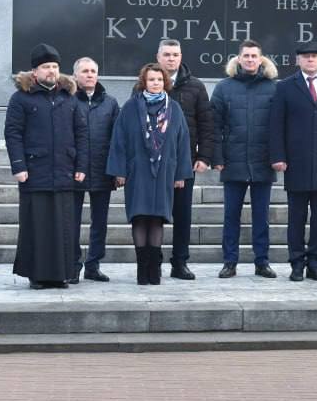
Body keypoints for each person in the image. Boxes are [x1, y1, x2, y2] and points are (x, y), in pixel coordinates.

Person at [5, 43, 88, 289]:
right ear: (35, 72)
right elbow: (13, 133)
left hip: (64, 170)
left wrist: (81, 165)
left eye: (54, 66)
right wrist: (19, 166)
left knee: (63, 226)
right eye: (45, 67)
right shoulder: (21, 98)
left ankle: (61, 274)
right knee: (37, 226)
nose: (51, 71)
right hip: (34, 171)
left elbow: (81, 133)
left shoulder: (69, 98)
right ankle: (37, 275)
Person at [106, 64, 194, 285]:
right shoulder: (130, 107)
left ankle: (154, 271)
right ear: (143, 82)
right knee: (139, 217)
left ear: (165, 82)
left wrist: (181, 174)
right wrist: (119, 171)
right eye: (151, 79)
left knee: (157, 218)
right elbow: (119, 140)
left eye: (159, 79)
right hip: (138, 171)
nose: (155, 83)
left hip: (164, 172)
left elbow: (183, 143)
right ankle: (141, 270)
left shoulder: (174, 108)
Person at [269, 41, 317, 282]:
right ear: (298, 60)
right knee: (296, 217)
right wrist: (278, 156)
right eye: (306, 57)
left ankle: (315, 263)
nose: (310, 60)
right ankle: (296, 263)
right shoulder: (284, 87)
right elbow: (276, 124)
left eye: (314, 56)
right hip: (296, 162)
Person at [211, 40, 279, 278]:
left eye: (254, 56)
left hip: (263, 161)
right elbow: (214, 126)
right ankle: (230, 261)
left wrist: (278, 157)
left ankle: (262, 262)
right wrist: (217, 157)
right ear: (238, 59)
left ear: (261, 59)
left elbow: (279, 126)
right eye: (246, 56)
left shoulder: (273, 88)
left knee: (262, 217)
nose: (250, 59)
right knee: (231, 215)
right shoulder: (223, 88)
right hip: (233, 161)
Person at [156, 39, 215, 280]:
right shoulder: (148, 83)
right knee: (154, 215)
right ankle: (153, 262)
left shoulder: (196, 87)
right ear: (158, 57)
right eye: (167, 54)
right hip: (155, 163)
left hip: (185, 162)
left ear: (181, 56)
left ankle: (179, 262)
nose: (171, 58)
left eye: (175, 54)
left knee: (183, 215)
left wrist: (204, 156)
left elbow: (207, 124)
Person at [72, 57, 120, 283]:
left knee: (99, 221)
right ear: (75, 76)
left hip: (103, 171)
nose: (90, 75)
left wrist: (119, 170)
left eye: (93, 71)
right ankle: (72, 265)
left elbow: (118, 139)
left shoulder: (110, 103)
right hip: (75, 171)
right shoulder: (67, 100)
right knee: (71, 222)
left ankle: (93, 264)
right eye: (85, 71)